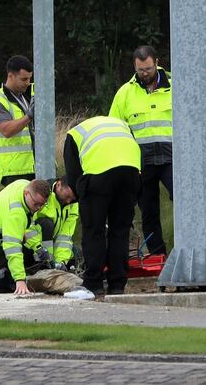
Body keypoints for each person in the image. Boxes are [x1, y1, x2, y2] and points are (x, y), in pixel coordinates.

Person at [63, 116, 141, 295]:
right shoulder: (118, 124)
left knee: (94, 231)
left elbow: (73, 176)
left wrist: (83, 199)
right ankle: (118, 284)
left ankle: (94, 282)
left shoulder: (74, 133)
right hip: (130, 174)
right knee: (120, 231)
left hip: (98, 177)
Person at [108, 46, 172, 255]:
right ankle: (158, 255)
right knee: (149, 212)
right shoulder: (125, 93)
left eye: (148, 69)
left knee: (185, 205)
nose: (145, 73)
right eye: (140, 70)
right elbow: (115, 130)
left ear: (157, 63)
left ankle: (187, 249)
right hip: (142, 163)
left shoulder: (176, 85)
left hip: (174, 159)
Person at [0, 55, 35, 186]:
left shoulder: (26, 95)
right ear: (10, 76)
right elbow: (6, 130)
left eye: (30, 78)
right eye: (24, 79)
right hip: (14, 171)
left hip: (35, 165)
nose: (27, 83)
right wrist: (29, 116)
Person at [32, 178, 79, 271]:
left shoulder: (73, 205)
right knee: (46, 224)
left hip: (53, 245)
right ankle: (42, 265)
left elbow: (65, 236)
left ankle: (52, 265)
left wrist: (60, 262)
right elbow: (29, 226)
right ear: (58, 185)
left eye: (72, 199)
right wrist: (46, 258)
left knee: (72, 254)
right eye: (67, 196)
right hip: (33, 244)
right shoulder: (43, 194)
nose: (69, 201)